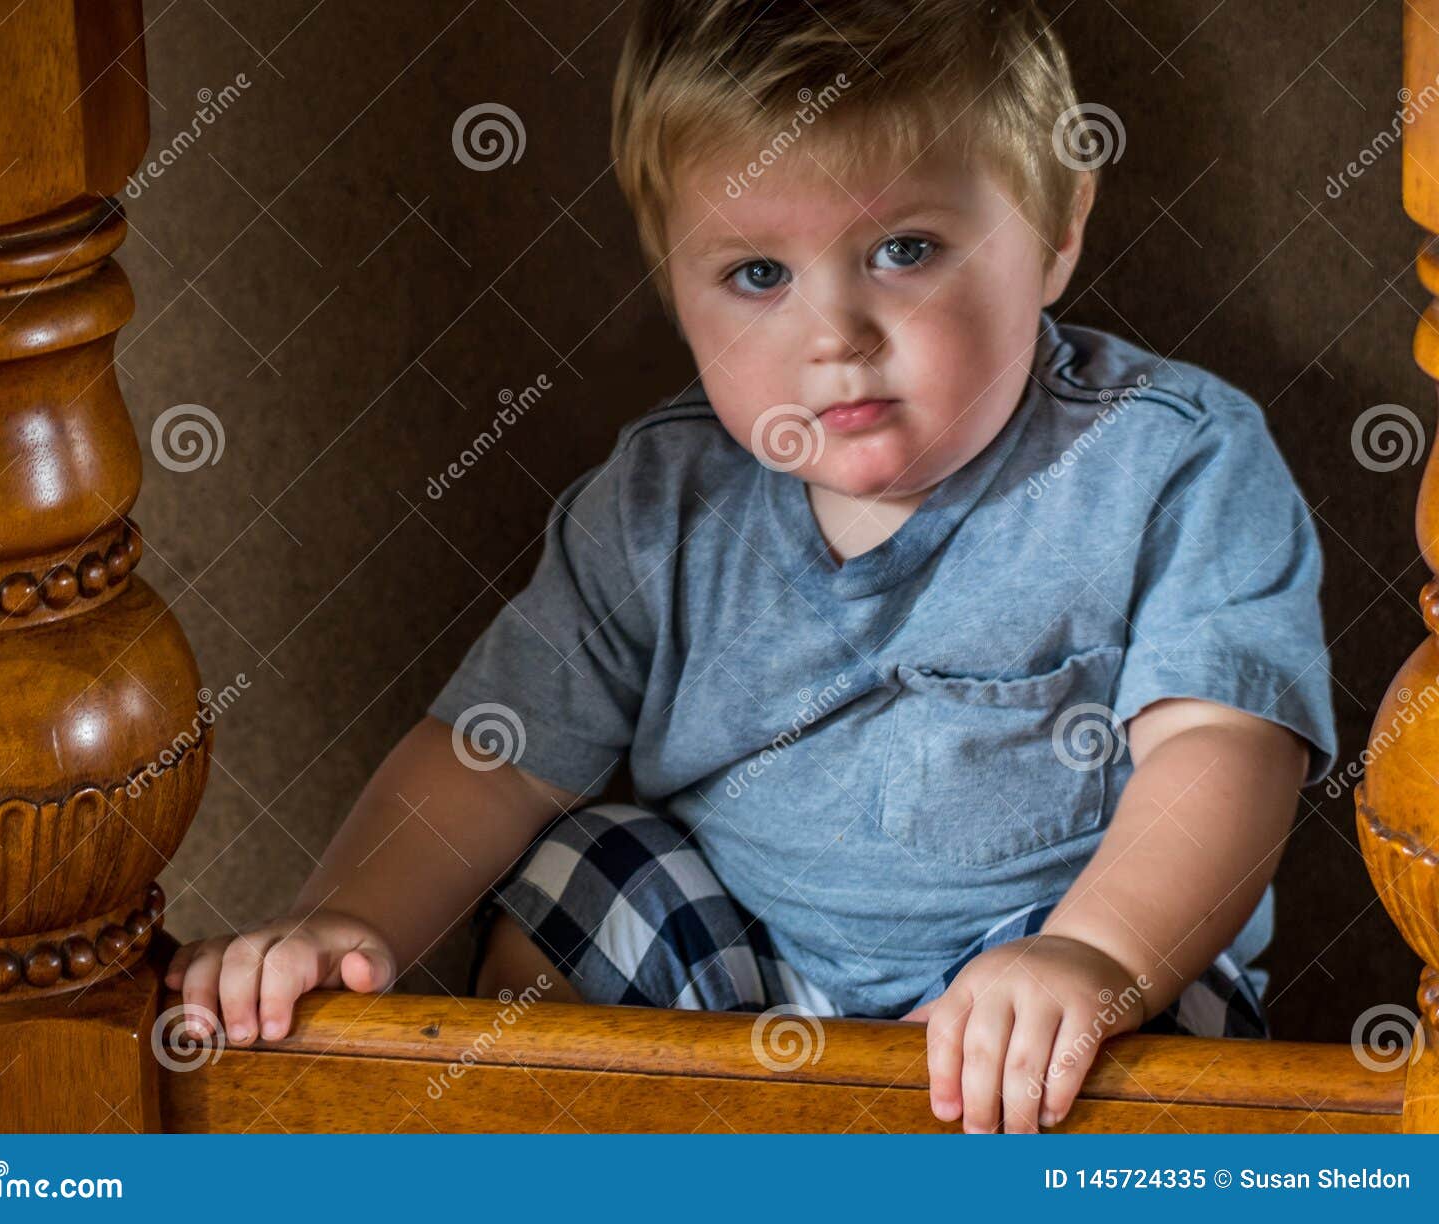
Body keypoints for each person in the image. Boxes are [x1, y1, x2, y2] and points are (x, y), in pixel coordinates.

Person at [167, 0, 1337, 1134]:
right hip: (745, 1005)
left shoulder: (1162, 457)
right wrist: (341, 918)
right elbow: (491, 754)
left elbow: (1222, 749)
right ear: (669, 279)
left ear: (1057, 228)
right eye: (757, 277)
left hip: (1047, 994)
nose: (835, 335)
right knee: (589, 867)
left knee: (1155, 1035)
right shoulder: (661, 504)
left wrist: (1100, 954)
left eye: (905, 250)